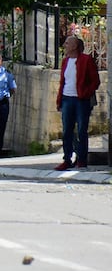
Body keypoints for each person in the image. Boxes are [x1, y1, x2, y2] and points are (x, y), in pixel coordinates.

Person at [55, 36, 100, 171]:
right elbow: (62, 82)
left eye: (67, 43)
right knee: (67, 130)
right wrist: (59, 100)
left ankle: (81, 160)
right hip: (67, 99)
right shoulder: (65, 61)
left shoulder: (86, 60)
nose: (65, 45)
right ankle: (67, 159)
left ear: (75, 46)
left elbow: (95, 81)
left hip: (81, 100)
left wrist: (85, 93)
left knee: (81, 130)